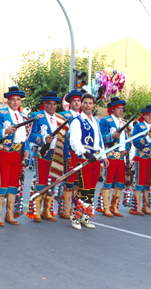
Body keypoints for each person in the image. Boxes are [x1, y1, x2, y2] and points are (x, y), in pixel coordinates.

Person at [0, 86, 30, 226]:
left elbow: (26, 137)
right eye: (12, 99)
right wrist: (5, 131)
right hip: (4, 152)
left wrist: (27, 149)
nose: (15, 102)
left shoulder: (23, 116)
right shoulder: (0, 113)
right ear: (8, 101)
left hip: (17, 154)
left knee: (13, 185)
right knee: (3, 184)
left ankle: (9, 214)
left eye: (18, 99)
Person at [28, 91, 69, 223]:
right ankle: (37, 211)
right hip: (42, 153)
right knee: (41, 182)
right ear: (44, 105)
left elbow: (64, 140)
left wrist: (66, 155)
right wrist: (43, 139)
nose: (52, 106)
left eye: (54, 104)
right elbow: (31, 135)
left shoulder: (61, 119)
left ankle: (47, 210)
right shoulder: (37, 116)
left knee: (52, 183)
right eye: (49, 104)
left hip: (56, 154)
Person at [68, 93, 108, 229]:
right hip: (84, 159)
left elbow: (99, 141)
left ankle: (85, 215)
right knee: (83, 190)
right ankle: (75, 216)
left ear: (93, 105)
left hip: (96, 159)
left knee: (91, 190)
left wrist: (104, 156)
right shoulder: (77, 121)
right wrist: (85, 153)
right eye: (85, 102)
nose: (87, 105)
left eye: (90, 103)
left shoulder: (95, 121)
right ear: (81, 104)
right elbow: (74, 141)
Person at [99, 96, 130, 217]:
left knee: (120, 181)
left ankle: (114, 206)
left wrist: (126, 149)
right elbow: (101, 137)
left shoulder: (122, 122)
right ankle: (106, 207)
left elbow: (125, 139)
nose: (121, 110)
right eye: (118, 108)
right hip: (111, 154)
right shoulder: (106, 121)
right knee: (108, 180)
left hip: (121, 156)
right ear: (112, 109)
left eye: (122, 108)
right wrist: (111, 137)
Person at [130, 105, 151, 216]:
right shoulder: (139, 126)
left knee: (148, 183)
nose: (150, 117)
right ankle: (136, 206)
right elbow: (135, 142)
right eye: (148, 114)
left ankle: (146, 206)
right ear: (144, 115)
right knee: (140, 181)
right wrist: (147, 138)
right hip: (141, 157)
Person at [58, 90, 83, 219]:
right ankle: (64, 209)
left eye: (79, 100)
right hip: (69, 152)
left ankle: (75, 208)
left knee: (78, 183)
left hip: (80, 154)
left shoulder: (83, 116)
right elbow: (64, 137)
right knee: (69, 181)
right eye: (74, 101)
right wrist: (66, 154)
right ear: (70, 103)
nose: (77, 103)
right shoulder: (64, 116)